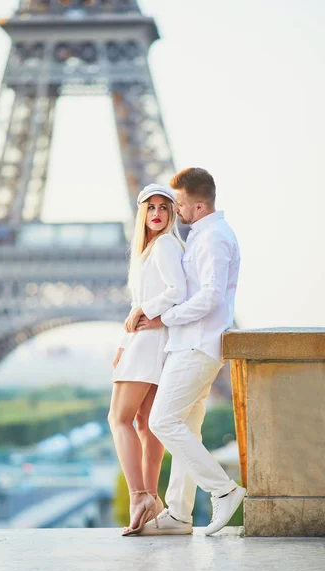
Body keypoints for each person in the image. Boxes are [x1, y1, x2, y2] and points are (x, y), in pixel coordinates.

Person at [132, 167, 246, 536]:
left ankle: (223, 489)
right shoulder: (203, 235)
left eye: (178, 203)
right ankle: (179, 514)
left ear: (198, 204)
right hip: (192, 343)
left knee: (161, 422)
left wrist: (167, 318)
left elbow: (211, 296)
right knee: (187, 428)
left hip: (197, 344)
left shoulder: (212, 239)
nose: (174, 210)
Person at [108, 183, 187, 536]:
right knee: (144, 423)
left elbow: (177, 291)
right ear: (143, 213)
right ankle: (150, 496)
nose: (157, 213)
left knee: (118, 418)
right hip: (147, 343)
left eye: (164, 208)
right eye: (151, 208)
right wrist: (125, 342)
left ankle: (139, 495)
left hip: (149, 342)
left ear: (172, 213)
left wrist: (145, 310)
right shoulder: (150, 248)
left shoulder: (166, 244)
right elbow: (140, 302)